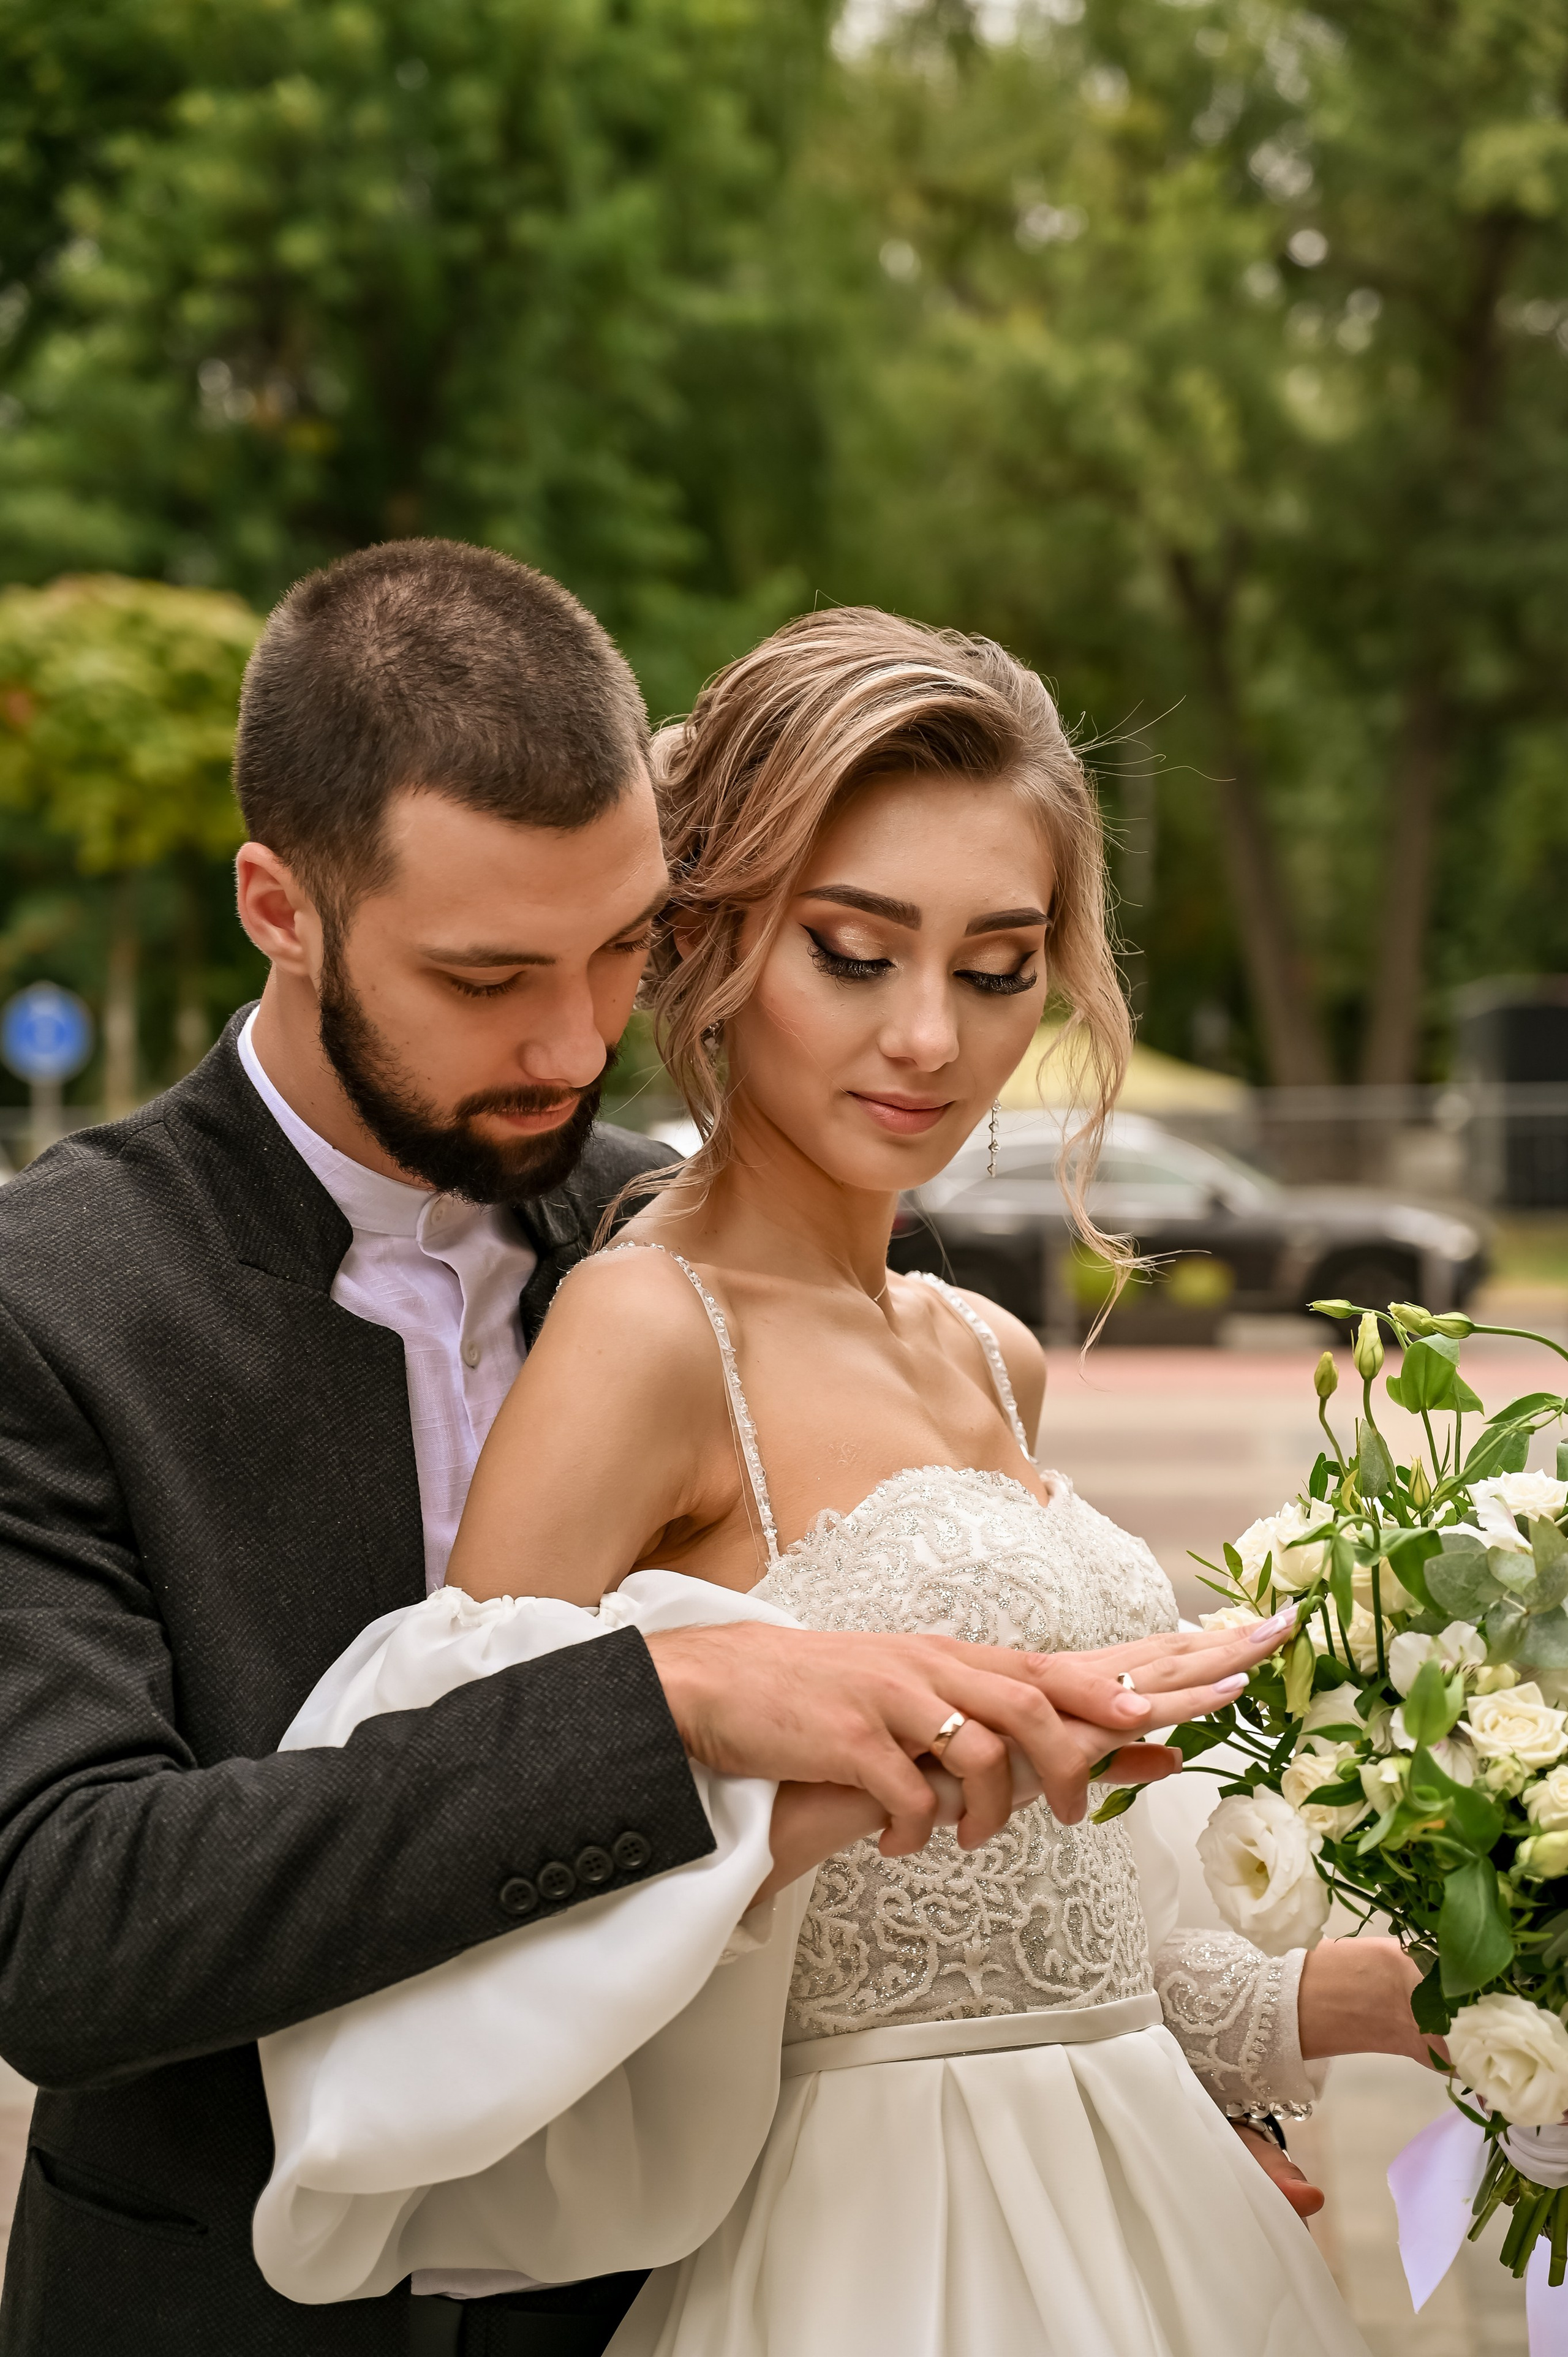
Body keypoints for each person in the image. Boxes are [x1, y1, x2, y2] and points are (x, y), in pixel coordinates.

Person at [0, 542, 1279, 2357]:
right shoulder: (52, 1302)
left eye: (622, 951)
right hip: (220, 2305)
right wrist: (674, 1701)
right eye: (487, 975)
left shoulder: (685, 1228)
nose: (579, 1038)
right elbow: (66, 1929)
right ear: (279, 907)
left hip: (669, 2290)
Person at [252, 605, 1439, 2355]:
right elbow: (472, 1846)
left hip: (1160, 2221)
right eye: (856, 952)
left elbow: (1072, 1947)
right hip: (860, 2257)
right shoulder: (647, 1334)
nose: (931, 1042)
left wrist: (1449, 1993)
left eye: (996, 965)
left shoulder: (988, 1353)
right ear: (716, 939)